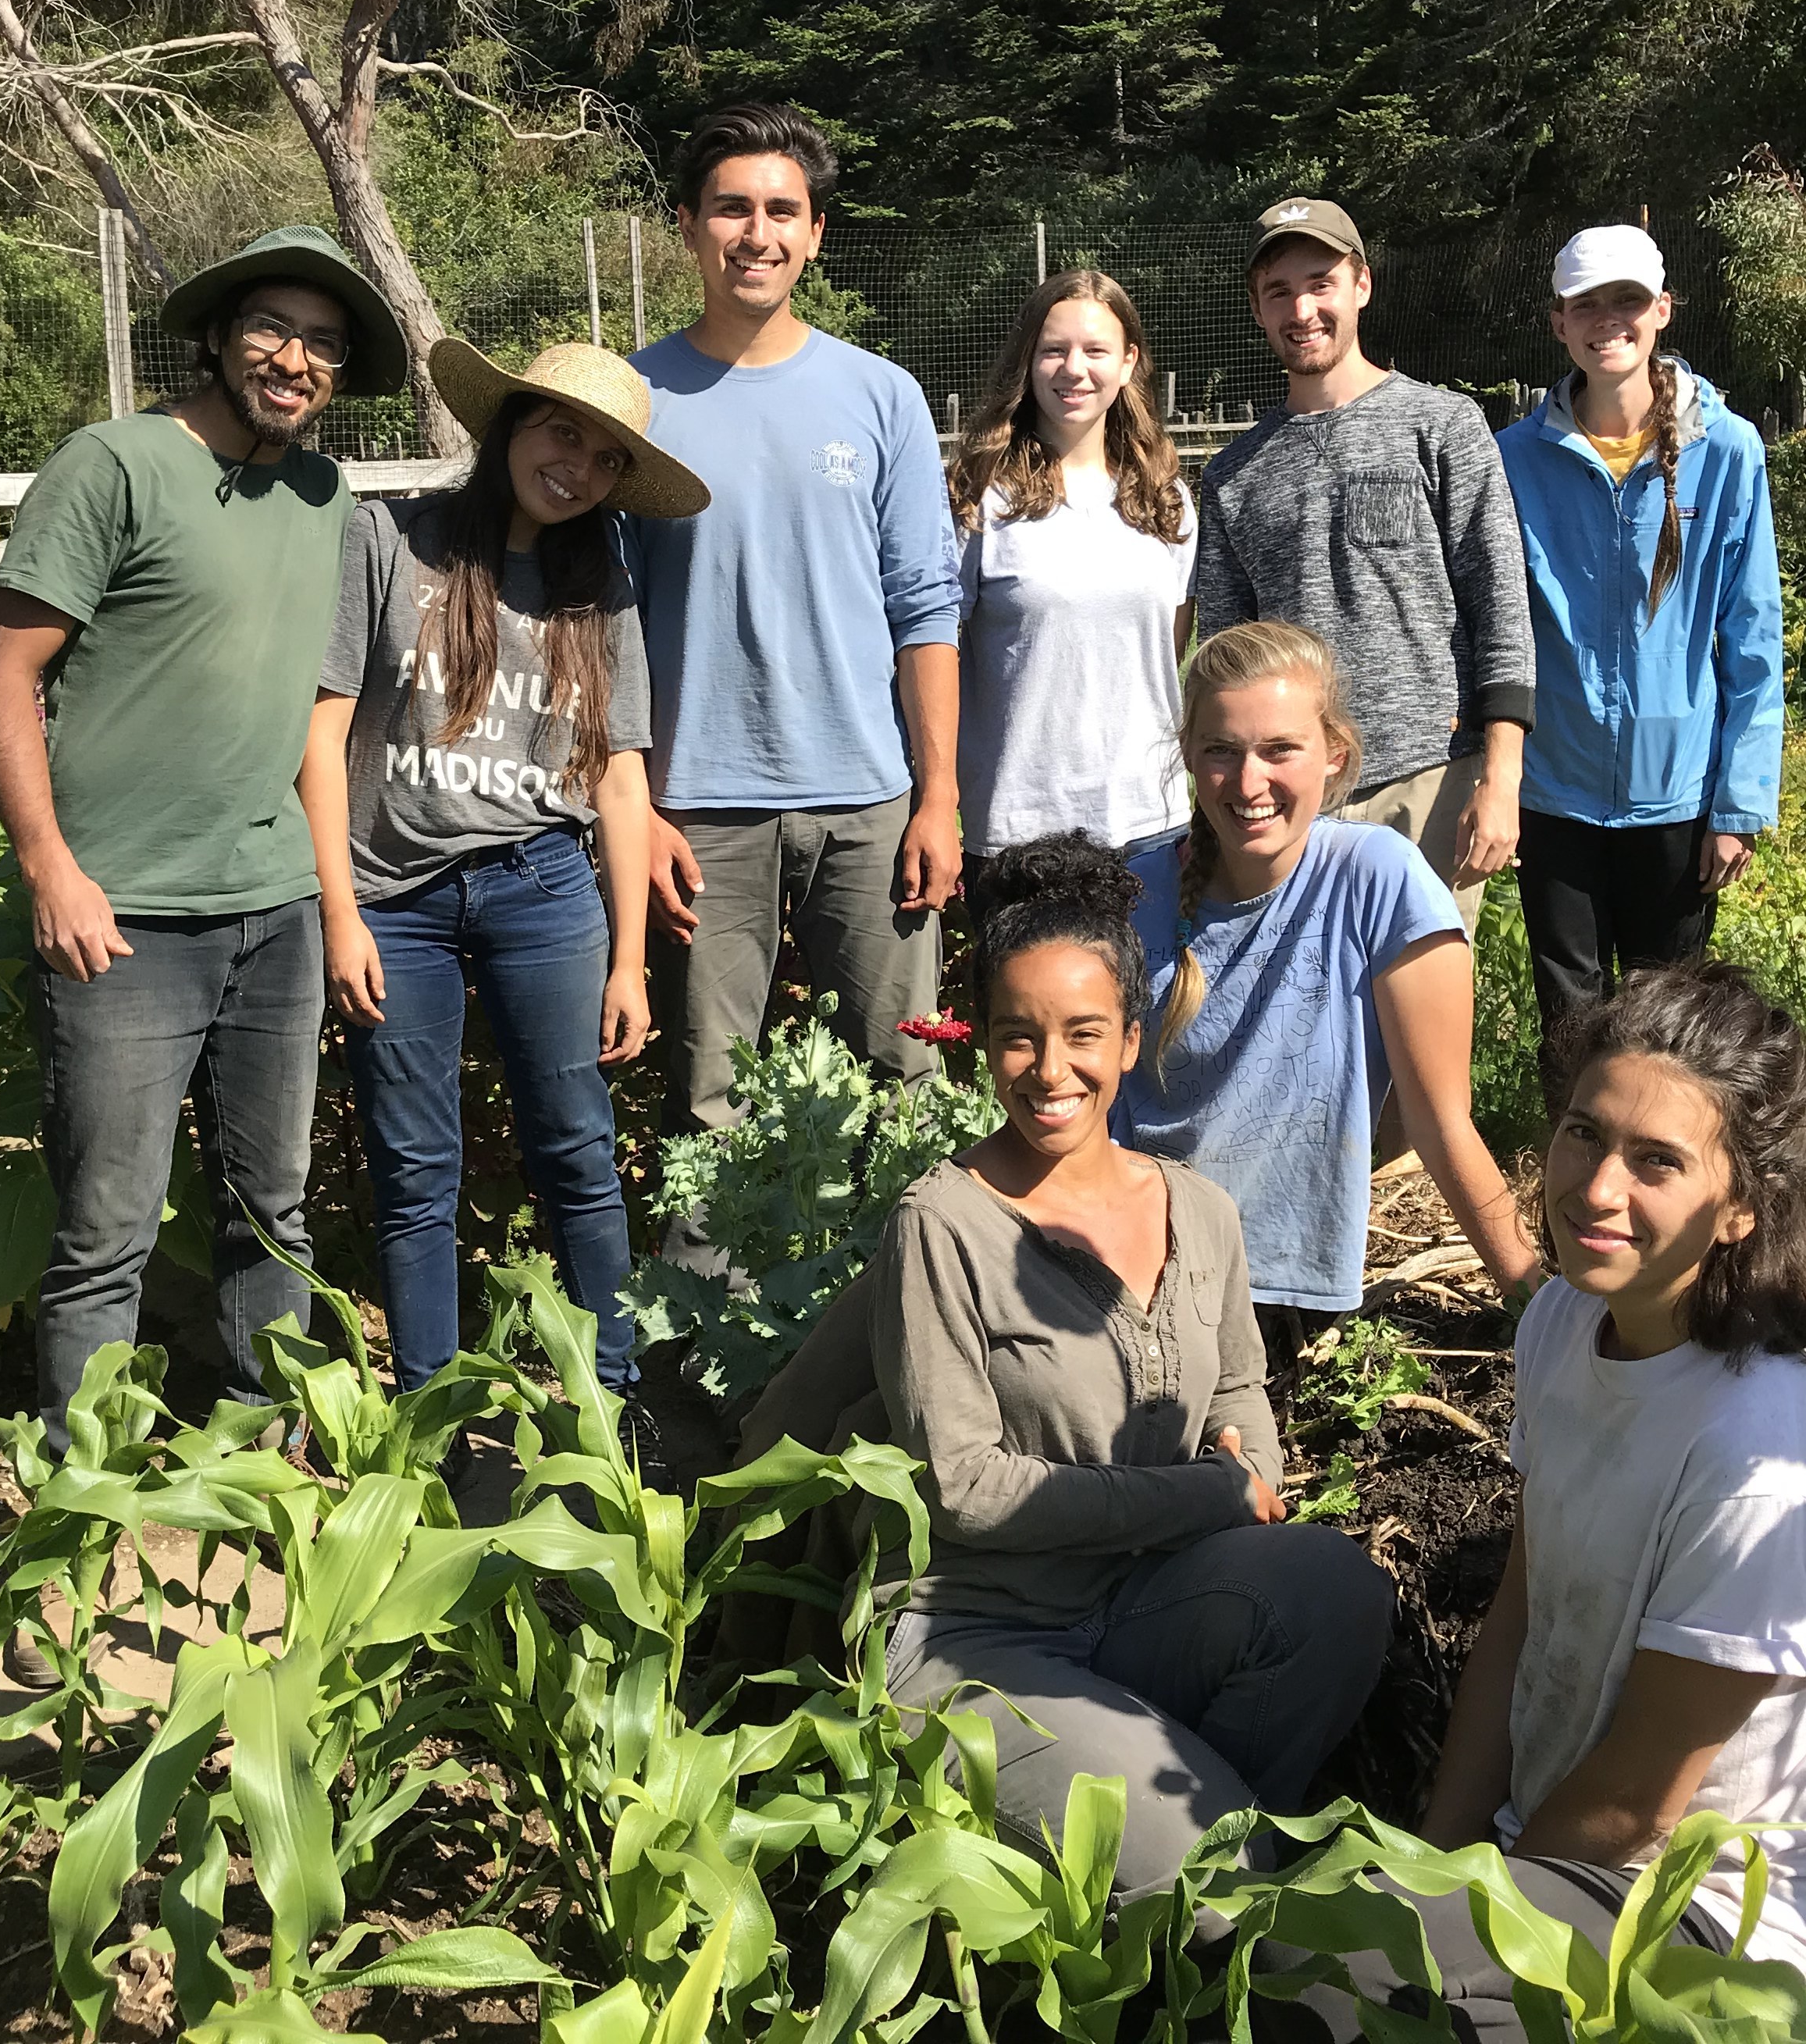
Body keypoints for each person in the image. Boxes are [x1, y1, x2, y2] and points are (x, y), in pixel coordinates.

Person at [871, 834, 1394, 1902]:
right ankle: (1181, 1890)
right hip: (983, 1632)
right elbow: (966, 1494)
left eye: (1081, 1035)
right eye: (1017, 1038)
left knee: (1338, 1594)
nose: (1048, 1070)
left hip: (1148, 1603)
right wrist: (1205, 1493)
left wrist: (1248, 1466)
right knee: (1221, 1865)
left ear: (1132, 1035)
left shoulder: (1198, 1210)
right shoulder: (945, 1225)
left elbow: (1245, 1401)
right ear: (984, 1044)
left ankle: (1168, 1888)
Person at [0, 224, 404, 1455]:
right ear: (218, 337)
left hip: (275, 910)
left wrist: (331, 905)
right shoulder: (111, 466)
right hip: (123, 917)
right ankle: (81, 1489)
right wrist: (51, 867)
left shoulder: (325, 497)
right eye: (272, 328)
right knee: (107, 1227)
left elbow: (320, 706)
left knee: (272, 1211)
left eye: (323, 344)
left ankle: (264, 1454)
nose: (295, 358)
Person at [1412, 960, 1806, 2025]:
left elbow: (1637, 1800)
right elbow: (1522, 1618)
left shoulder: (1758, 1461)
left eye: (1656, 1162)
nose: (1596, 1189)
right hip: (1548, 1857)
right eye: (1585, 1133)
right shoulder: (1562, 1323)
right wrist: (1432, 1866)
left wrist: (1456, 1919)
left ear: (1741, 1212)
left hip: (1709, 1927)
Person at [303, 338, 708, 1394]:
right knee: (414, 1165)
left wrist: (628, 962)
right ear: (510, 425)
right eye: (560, 430)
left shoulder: (599, 583)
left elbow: (621, 777)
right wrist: (339, 914)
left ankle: (610, 1402)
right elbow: (324, 724)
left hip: (543, 889)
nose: (576, 464)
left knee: (577, 1151)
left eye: (606, 456)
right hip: (394, 900)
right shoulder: (389, 539)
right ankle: (425, 1409)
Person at [629, 103, 962, 1219]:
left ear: (816, 234)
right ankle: (715, 1373)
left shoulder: (881, 396)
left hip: (871, 805)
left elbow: (926, 608)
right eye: (732, 208)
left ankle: (913, 1345)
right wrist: (635, 814)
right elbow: (600, 629)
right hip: (696, 817)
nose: (757, 232)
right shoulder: (631, 402)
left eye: (782, 210)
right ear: (688, 227)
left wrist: (937, 801)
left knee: (905, 1084)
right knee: (707, 1104)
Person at [1122, 622, 1539, 1360]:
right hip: (1124, 1264)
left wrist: (1539, 1306)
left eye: (1280, 750)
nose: (1249, 783)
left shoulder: (1375, 880)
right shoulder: (1131, 891)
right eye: (1221, 750)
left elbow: (1444, 1126)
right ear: (1189, 754)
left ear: (1334, 755)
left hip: (1274, 1295)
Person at [1194, 198, 1534, 932]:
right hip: (1291, 794)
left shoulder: (1443, 426)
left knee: (1420, 1019)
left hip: (1431, 778)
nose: (1303, 308)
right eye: (1279, 292)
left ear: (1362, 286)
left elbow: (1501, 602)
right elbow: (1225, 658)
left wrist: (1501, 772)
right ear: (1257, 308)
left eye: (1320, 282)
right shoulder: (1232, 476)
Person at [1495, 226, 1784, 1039]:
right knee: (1571, 1020)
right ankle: (1574, 1163)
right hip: (1553, 790)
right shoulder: (1513, 459)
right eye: (1587, 303)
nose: (1608, 319)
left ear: (1662, 310)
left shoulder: (1726, 451)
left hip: (1678, 794)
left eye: (1627, 299)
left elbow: (1753, 632)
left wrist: (1740, 802)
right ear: (1558, 322)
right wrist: (1496, 777)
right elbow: (1491, 625)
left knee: (1670, 1026)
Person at [949, 269, 1198, 869]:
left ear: (1128, 361)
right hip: (1018, 827)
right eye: (1054, 350)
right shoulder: (978, 498)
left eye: (1095, 350)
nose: (1074, 368)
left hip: (1149, 824)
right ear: (1028, 359)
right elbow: (938, 653)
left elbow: (1171, 644)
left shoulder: (1167, 503)